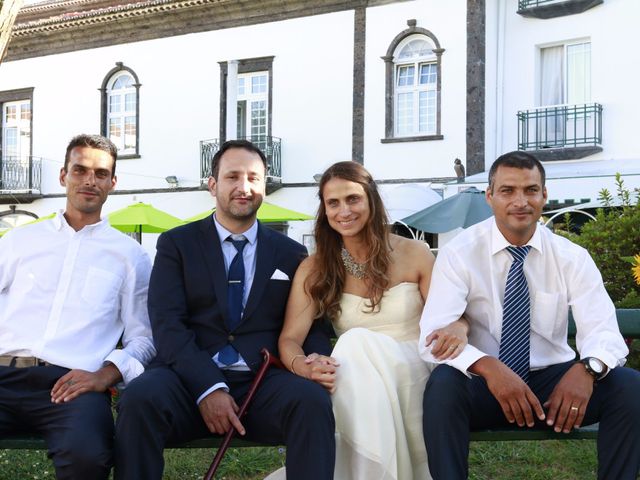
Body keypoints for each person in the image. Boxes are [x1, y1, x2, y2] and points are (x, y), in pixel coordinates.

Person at [114, 139, 335, 480]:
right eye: (233, 177)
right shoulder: (177, 244)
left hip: (263, 382)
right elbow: (167, 323)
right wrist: (208, 387)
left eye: (253, 178)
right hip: (187, 382)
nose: (243, 187)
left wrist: (317, 357)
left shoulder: (291, 254)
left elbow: (312, 324)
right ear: (213, 185)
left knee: (311, 402)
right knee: (140, 399)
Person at [419, 151, 640, 480]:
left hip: (555, 391)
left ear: (544, 195)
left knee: (629, 386)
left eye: (531, 190)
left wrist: (587, 370)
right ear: (489, 197)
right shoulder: (460, 253)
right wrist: (490, 368)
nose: (520, 201)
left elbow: (603, 330)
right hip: (486, 387)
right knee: (443, 387)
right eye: (507, 191)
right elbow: (433, 338)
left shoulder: (571, 257)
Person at [278, 161, 469, 480]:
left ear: (371, 200)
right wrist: (303, 366)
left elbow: (453, 318)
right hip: (357, 379)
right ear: (324, 210)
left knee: (353, 342)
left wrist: (458, 328)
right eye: (333, 203)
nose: (344, 211)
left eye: (352, 199)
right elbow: (289, 339)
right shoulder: (315, 268)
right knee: (353, 350)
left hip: (415, 368)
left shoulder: (415, 253)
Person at [0, 134, 154, 479]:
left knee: (88, 456)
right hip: (4, 373)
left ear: (112, 183)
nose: (89, 180)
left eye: (100, 173)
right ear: (63, 175)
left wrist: (106, 375)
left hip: (72, 384)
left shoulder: (130, 257)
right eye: (80, 169)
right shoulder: (19, 241)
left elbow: (145, 339)